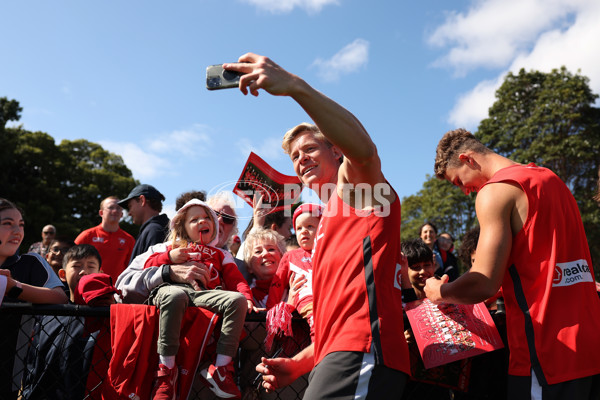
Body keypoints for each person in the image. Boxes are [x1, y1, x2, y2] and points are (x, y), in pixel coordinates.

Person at [223, 53, 409, 399]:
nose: (301, 159)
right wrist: (298, 364)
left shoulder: (362, 194)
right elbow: (334, 318)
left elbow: (366, 152)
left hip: (364, 351)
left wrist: (295, 87)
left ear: (337, 150)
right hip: (339, 354)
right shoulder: (322, 229)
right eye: (294, 156)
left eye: (310, 148)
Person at [424, 128, 600, 398]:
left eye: (458, 181)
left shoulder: (495, 192)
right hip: (589, 345)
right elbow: (542, 267)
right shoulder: (553, 180)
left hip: (546, 353)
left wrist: (440, 292)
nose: (465, 192)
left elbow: (483, 281)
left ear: (467, 159)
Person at [142, 198, 254, 400]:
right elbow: (147, 265)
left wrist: (247, 298)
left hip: (204, 295)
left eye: (207, 218)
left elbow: (237, 280)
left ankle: (220, 370)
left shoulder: (221, 254)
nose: (203, 222)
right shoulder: (173, 247)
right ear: (182, 227)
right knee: (175, 296)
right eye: (194, 220)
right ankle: (165, 374)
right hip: (173, 290)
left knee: (236, 300)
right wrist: (168, 258)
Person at [265, 203, 324, 352]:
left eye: (310, 226)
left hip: (329, 295)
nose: (304, 231)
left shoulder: (330, 253)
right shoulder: (291, 256)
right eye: (299, 228)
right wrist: (271, 310)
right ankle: (319, 350)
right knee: (317, 321)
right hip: (306, 297)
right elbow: (277, 284)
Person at [0, 198, 67, 304]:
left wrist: (13, 287)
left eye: (21, 225)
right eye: (8, 223)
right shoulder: (34, 246)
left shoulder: (31, 261)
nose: (18, 232)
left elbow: (61, 298)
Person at [74, 196, 135, 283]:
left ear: (122, 214)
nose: (115, 211)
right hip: (90, 287)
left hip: (117, 291)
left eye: (118, 208)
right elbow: (71, 261)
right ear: (101, 212)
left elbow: (131, 267)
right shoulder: (87, 235)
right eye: (111, 207)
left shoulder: (129, 239)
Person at [118, 184, 170, 263]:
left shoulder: (154, 231)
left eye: (130, 206)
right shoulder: (158, 229)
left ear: (142, 200)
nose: (129, 213)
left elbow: (151, 271)